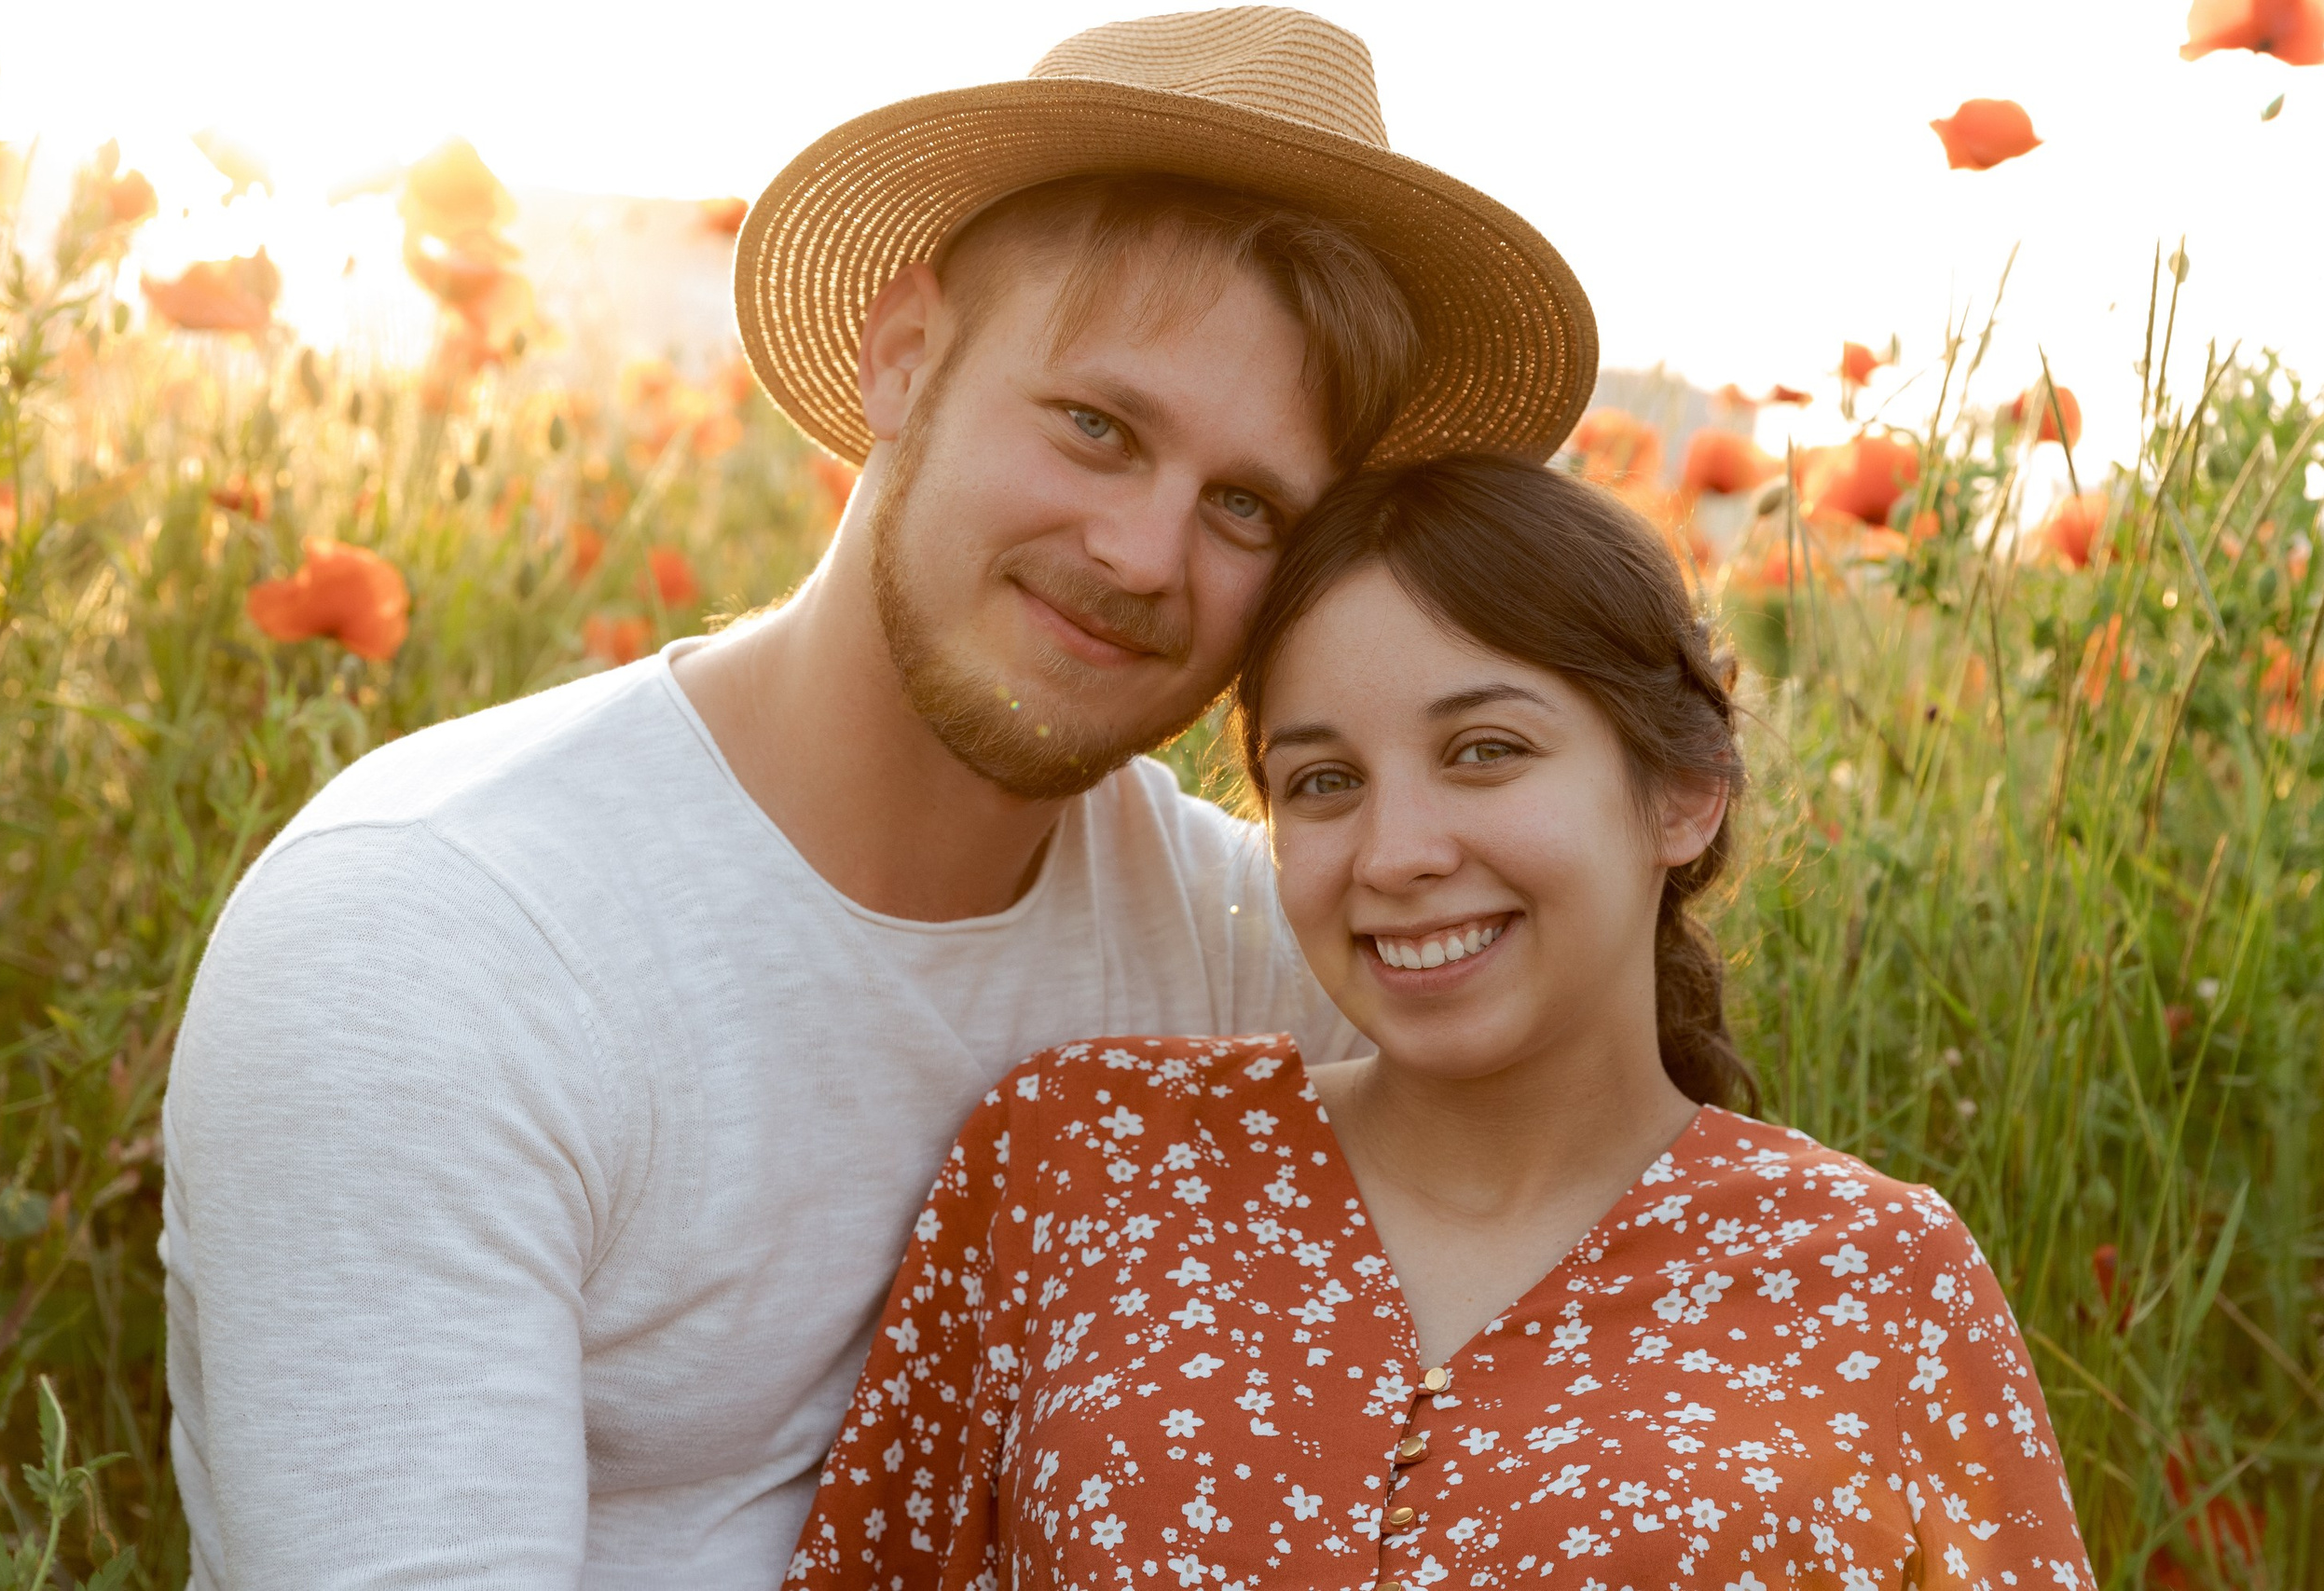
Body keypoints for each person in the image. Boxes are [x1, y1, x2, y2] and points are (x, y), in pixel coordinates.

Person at [158, 9, 1600, 1588]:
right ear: (905, 359)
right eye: (1098, 427)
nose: (1142, 554)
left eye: (1246, 505)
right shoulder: (436, 940)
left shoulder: (1253, 951)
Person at [786, 457, 2097, 1590]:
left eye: (1485, 752)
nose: (1396, 853)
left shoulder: (1881, 1280)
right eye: (1324, 782)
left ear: (1684, 792)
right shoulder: (1087, 1160)